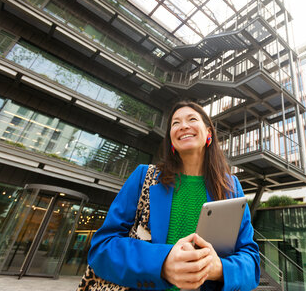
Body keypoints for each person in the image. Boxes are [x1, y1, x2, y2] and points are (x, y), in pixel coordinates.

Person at [88, 101, 260, 290]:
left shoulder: (231, 187)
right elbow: (102, 247)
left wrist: (219, 268)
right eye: (175, 123)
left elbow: (251, 260)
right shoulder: (144, 176)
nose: (183, 126)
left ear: (209, 132)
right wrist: (162, 263)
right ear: (171, 138)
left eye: (192, 119)